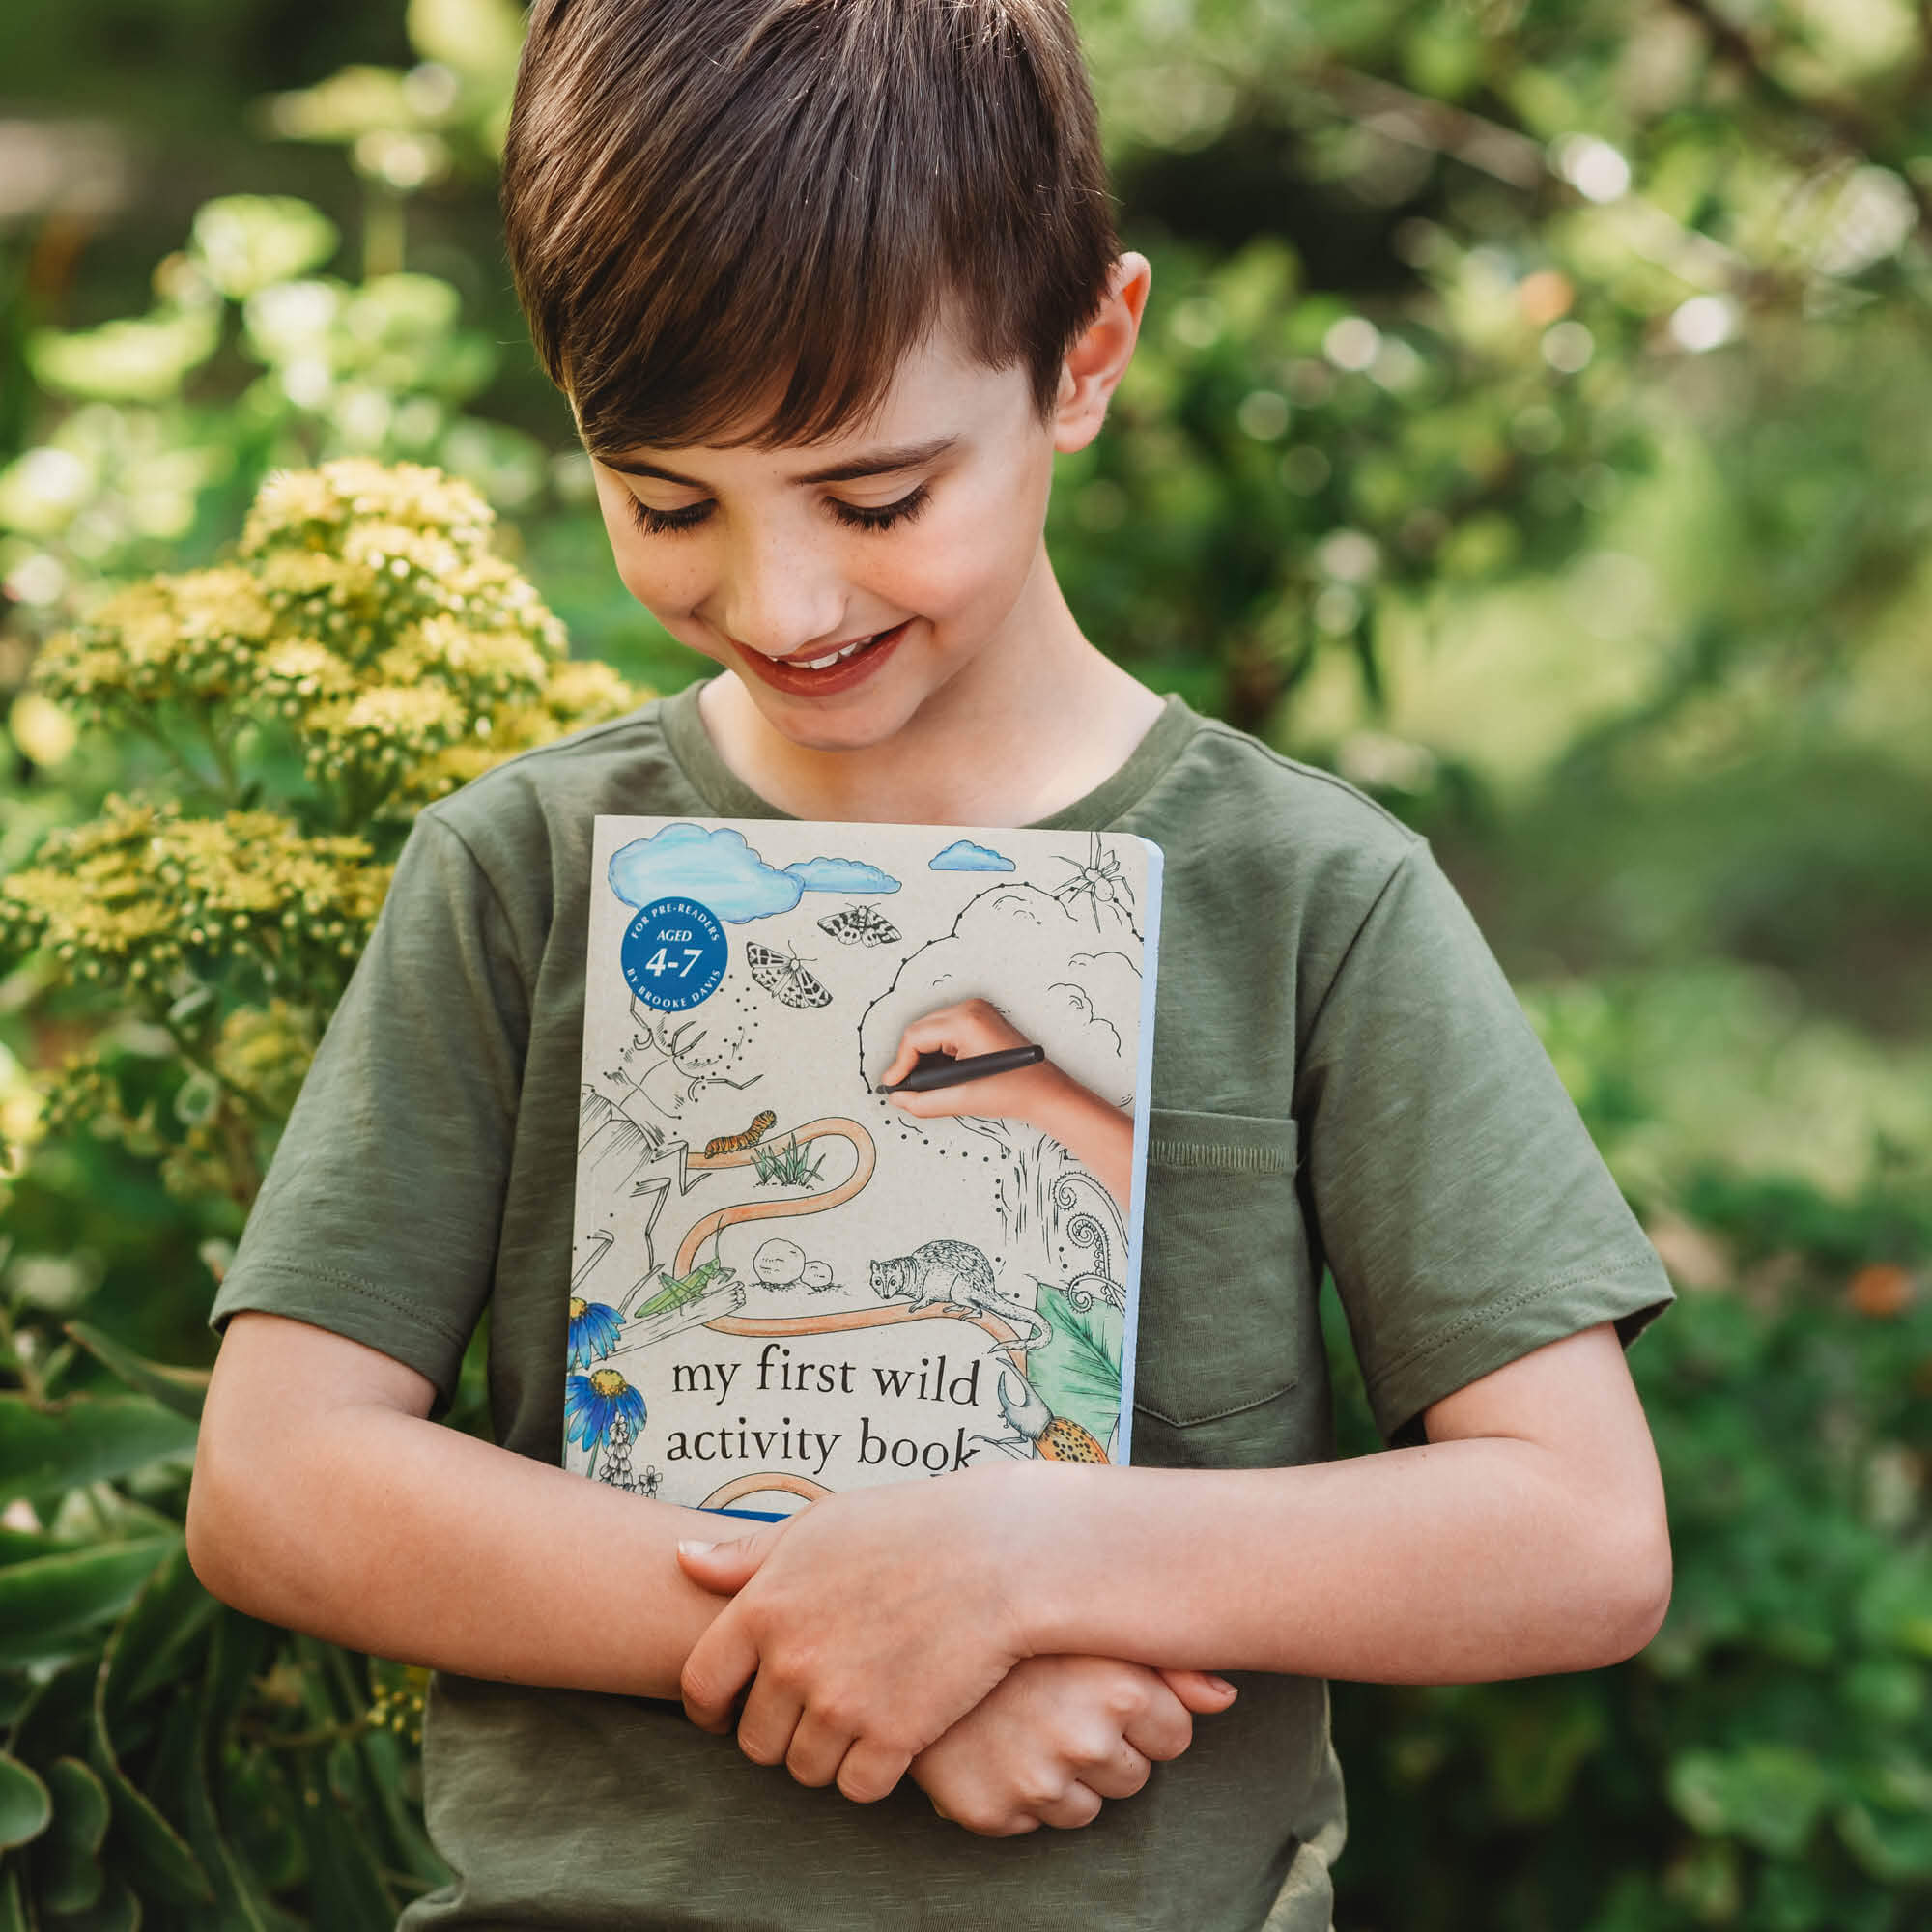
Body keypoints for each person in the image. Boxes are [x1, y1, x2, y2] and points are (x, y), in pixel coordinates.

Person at [185, 2, 1676, 1926]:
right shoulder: (522, 871)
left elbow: (1576, 1530)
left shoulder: (1311, 894)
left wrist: (1030, 1558)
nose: (780, 600)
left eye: (875, 498)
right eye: (663, 502)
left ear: (1085, 358)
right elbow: (279, 1479)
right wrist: (862, 1629)